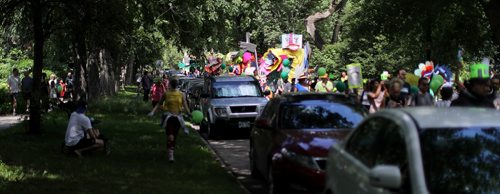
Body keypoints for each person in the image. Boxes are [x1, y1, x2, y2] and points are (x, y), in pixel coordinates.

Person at [149, 79, 191, 162]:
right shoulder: (166, 94)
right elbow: (159, 103)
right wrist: (152, 112)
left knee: (174, 136)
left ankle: (170, 151)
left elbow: (185, 105)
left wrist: (189, 113)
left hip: (178, 118)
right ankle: (171, 156)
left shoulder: (181, 94)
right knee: (170, 136)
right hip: (168, 117)